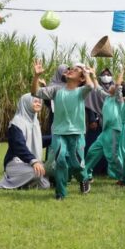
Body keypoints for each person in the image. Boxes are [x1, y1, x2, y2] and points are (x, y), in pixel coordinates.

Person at [31, 60, 95, 200]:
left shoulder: (81, 91)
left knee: (76, 164)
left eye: (75, 70)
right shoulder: (56, 90)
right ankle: (60, 193)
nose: (71, 69)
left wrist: (86, 72)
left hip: (77, 133)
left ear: (81, 78)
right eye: (70, 68)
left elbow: (90, 86)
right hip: (59, 133)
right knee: (60, 161)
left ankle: (83, 179)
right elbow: (35, 92)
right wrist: (36, 76)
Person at [0, 93, 51, 190]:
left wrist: (54, 138)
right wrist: (34, 162)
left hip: (28, 163)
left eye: (40, 102)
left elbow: (38, 141)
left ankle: (26, 183)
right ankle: (15, 180)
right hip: (15, 164)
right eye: (35, 101)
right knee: (37, 173)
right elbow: (19, 146)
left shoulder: (34, 122)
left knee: (46, 182)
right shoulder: (17, 123)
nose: (38, 104)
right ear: (26, 103)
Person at [83, 67, 125, 183]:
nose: (111, 86)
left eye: (113, 86)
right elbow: (97, 87)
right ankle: (87, 175)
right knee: (93, 151)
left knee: (112, 156)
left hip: (114, 130)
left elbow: (117, 85)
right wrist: (93, 74)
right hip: (105, 131)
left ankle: (124, 177)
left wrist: (122, 71)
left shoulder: (118, 99)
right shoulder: (106, 97)